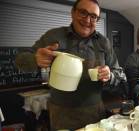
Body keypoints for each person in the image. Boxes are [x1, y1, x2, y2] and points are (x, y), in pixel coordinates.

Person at [15, 0, 126, 130]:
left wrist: (110, 75)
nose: (88, 20)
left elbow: (119, 74)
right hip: (61, 114)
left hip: (95, 112)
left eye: (93, 16)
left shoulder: (104, 42)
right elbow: (19, 60)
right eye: (83, 13)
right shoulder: (53, 36)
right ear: (73, 12)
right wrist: (34, 59)